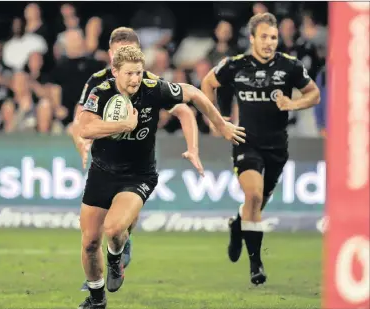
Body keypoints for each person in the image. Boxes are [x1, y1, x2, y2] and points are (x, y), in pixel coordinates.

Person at [77, 45, 245, 309]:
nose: (135, 79)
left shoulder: (153, 88)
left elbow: (193, 93)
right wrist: (122, 125)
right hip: (101, 172)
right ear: (115, 72)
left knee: (114, 228)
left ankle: (115, 258)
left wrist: (220, 125)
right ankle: (97, 299)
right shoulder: (102, 92)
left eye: (138, 73)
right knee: (89, 243)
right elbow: (84, 128)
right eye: (129, 74)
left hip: (138, 175)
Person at [71, 27, 203, 292]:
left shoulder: (150, 82)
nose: (124, 58)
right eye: (119, 54)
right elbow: (80, 121)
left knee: (119, 223)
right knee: (93, 236)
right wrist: (82, 145)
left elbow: (184, 111)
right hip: (105, 164)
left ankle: (120, 245)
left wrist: (193, 147)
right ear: (111, 56)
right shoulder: (98, 83)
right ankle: (103, 271)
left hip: (137, 168)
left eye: (130, 54)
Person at [201, 12, 320, 285]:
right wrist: (218, 121)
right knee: (253, 196)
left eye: (274, 37)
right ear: (252, 38)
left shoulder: (289, 66)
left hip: (277, 147)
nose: (269, 42)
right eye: (264, 37)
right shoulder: (236, 65)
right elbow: (208, 83)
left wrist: (293, 104)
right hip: (247, 142)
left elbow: (314, 94)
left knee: (255, 204)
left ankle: (236, 225)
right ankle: (256, 265)